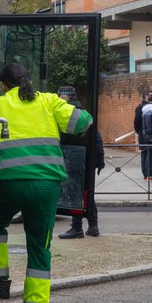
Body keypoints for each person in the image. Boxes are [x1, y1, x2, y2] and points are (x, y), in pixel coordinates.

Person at [0, 64, 92, 303]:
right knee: (39, 247)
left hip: (7, 183)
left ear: (4, 85)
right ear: (28, 79)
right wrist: (66, 104)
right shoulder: (48, 101)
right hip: (45, 186)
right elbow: (84, 122)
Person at [57, 86, 105, 239]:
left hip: (73, 159)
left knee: (75, 194)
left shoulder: (67, 113)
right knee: (87, 193)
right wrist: (100, 159)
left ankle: (77, 228)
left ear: (65, 97)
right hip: (87, 159)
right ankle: (93, 225)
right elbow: (96, 138)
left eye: (59, 96)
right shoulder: (84, 113)